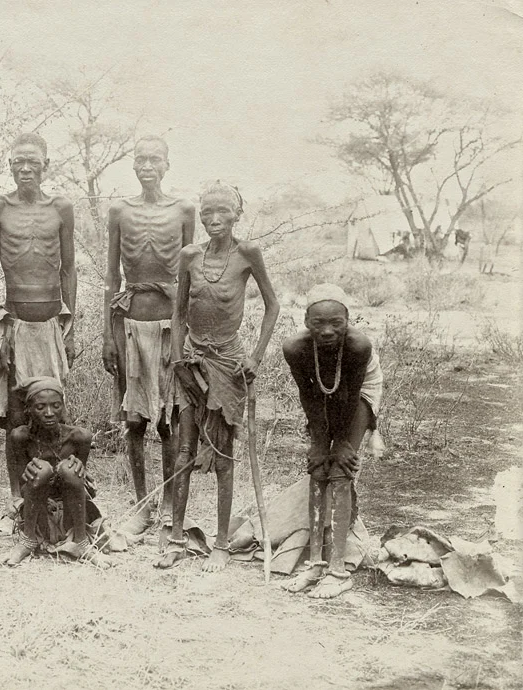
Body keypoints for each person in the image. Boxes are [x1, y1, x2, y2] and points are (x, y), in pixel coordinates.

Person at [155, 181, 280, 572]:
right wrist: (177, 359)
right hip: (189, 361)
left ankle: (222, 544)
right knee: (183, 452)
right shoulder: (190, 255)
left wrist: (256, 359)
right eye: (207, 211)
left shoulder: (248, 254)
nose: (213, 219)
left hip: (228, 362)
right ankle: (176, 537)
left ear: (237, 214)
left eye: (222, 211)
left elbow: (272, 308)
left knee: (224, 455)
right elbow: (177, 313)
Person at [0, 133, 77, 532]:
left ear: (45, 165)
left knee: (52, 413)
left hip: (52, 322)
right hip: (15, 322)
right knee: (17, 421)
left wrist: (69, 327)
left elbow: (69, 267)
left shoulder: (62, 207)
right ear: (9, 166)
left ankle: (55, 498)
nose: (25, 168)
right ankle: (17, 503)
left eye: (32, 162)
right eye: (18, 161)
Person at [102, 135, 195, 533]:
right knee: (135, 418)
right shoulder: (120, 210)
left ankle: (172, 501)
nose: (146, 166)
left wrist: (186, 330)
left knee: (170, 418)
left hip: (170, 323)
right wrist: (108, 334)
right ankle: (142, 505)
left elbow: (190, 272)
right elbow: (111, 274)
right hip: (130, 321)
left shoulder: (184, 209)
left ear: (167, 164)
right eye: (140, 159)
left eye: (154, 159)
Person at [280, 284, 382, 599]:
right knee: (317, 468)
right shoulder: (294, 348)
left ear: (348, 321)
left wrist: (340, 444)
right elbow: (308, 395)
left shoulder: (358, 346)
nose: (327, 330)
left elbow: (350, 399)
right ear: (306, 321)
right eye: (318, 323)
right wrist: (319, 442)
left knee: (341, 468)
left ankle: (338, 571)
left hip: (360, 392)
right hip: (324, 397)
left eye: (336, 323)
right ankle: (314, 563)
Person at [2, 378, 112, 568]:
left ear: (63, 407)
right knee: (41, 470)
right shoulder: (20, 437)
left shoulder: (80, 437)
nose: (49, 413)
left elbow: (79, 481)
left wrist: (74, 468)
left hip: (72, 510)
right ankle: (28, 541)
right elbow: (22, 486)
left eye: (55, 406)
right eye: (40, 407)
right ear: (28, 409)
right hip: (37, 512)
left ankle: (81, 542)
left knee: (69, 468)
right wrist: (31, 473)